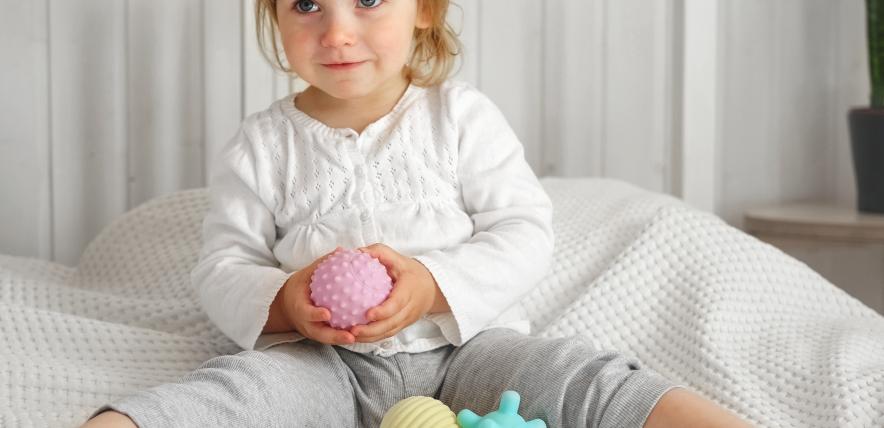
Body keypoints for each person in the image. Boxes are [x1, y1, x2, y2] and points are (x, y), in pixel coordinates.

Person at [82, 0, 750, 426]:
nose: (337, 30)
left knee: (572, 376)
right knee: (234, 394)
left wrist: (432, 285)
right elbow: (223, 264)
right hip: (323, 366)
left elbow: (523, 231)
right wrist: (284, 301)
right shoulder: (262, 144)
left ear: (425, 9)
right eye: (306, 4)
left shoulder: (458, 118)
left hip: (469, 350)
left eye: (368, 0)